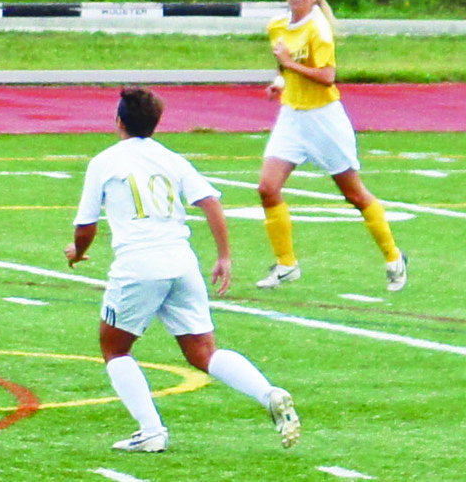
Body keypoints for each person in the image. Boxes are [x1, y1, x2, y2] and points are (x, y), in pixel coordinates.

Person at [65, 87, 301, 453]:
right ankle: (268, 392)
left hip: (138, 265)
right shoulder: (172, 159)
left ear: (118, 121)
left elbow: (86, 226)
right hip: (181, 262)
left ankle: (151, 430)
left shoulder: (105, 162)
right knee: (204, 352)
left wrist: (77, 253)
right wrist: (224, 256)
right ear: (155, 123)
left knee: (114, 349)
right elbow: (211, 202)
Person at [254, 0, 407, 292]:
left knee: (354, 194)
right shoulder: (277, 25)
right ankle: (286, 264)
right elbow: (285, 68)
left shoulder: (318, 28)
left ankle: (394, 257)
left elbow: (326, 76)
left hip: (323, 118)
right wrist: (279, 81)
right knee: (267, 188)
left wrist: (290, 64)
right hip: (293, 116)